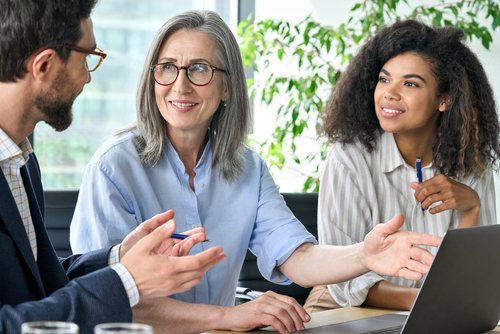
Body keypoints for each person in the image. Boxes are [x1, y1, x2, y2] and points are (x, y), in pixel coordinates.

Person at [70, 11, 442, 334]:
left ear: (227, 87)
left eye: (199, 69)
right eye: (167, 67)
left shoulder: (248, 168)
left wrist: (365, 255)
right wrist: (229, 315)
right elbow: (107, 300)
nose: (180, 85)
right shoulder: (113, 167)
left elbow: (296, 257)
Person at [0, 1, 228, 333]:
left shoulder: (20, 162)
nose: (88, 78)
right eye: (86, 58)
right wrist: (127, 281)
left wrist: (119, 257)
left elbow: (41, 285)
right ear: (45, 64)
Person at [306, 19, 500, 313]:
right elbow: (344, 283)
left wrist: (471, 208)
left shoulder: (470, 156)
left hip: (436, 309)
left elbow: (471, 278)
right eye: (384, 79)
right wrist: (427, 302)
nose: (389, 93)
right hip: (344, 303)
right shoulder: (349, 157)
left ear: (444, 99)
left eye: (410, 83)